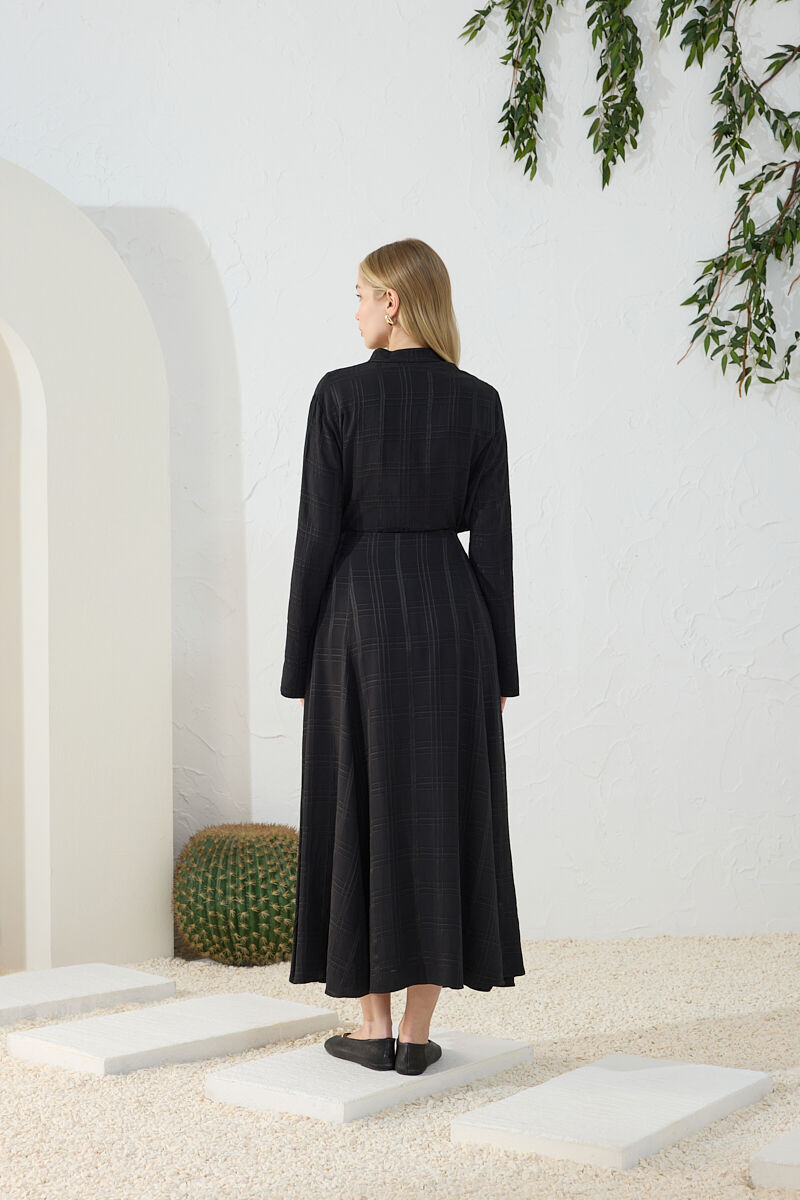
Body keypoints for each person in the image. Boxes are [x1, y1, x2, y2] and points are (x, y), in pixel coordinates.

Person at [280, 237, 524, 1076]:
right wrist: (503, 668)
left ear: (393, 303)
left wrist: (297, 664)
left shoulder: (339, 394)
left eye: (360, 294)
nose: (353, 310)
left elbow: (316, 536)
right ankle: (417, 1038)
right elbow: (495, 548)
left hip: (358, 620)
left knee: (360, 804)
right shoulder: (479, 401)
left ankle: (372, 1027)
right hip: (454, 620)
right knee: (441, 810)